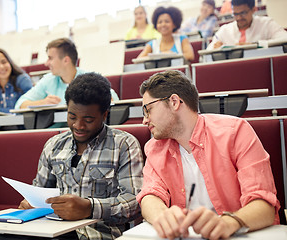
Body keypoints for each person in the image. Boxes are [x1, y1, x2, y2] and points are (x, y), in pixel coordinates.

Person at [136, 70, 280, 240]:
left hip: (236, 235)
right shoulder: (154, 147)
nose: (144, 120)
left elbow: (265, 206)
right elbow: (150, 196)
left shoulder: (236, 132)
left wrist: (229, 223)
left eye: (148, 109)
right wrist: (162, 216)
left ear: (174, 102)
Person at [18, 72, 144, 240]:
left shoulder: (124, 145)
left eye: (88, 119)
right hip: (50, 231)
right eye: (72, 116)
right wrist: (30, 204)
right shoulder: (53, 145)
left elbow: (134, 203)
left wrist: (89, 208)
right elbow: (39, 192)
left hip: (98, 234)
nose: (78, 125)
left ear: (105, 115)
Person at [15, 38, 119, 109]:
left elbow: (113, 100)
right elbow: (20, 104)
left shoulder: (90, 79)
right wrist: (42, 103)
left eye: (50, 58)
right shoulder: (48, 80)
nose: (46, 63)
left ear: (66, 60)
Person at [207, 0, 287, 49]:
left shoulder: (266, 24)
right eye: (235, 14)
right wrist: (215, 48)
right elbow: (207, 51)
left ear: (253, 9)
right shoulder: (225, 30)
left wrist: (256, 45)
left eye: (243, 13)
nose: (238, 18)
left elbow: (285, 39)